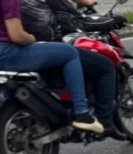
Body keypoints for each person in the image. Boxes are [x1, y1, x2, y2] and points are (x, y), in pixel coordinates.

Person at [0, 0, 104, 133]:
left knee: (9, 74)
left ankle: (19, 109)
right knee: (70, 53)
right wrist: (31, 38)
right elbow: (17, 36)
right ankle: (82, 114)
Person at [20, 0, 126, 140]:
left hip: (10, 50)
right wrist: (111, 21)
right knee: (105, 66)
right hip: (45, 48)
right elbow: (79, 22)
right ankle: (103, 122)